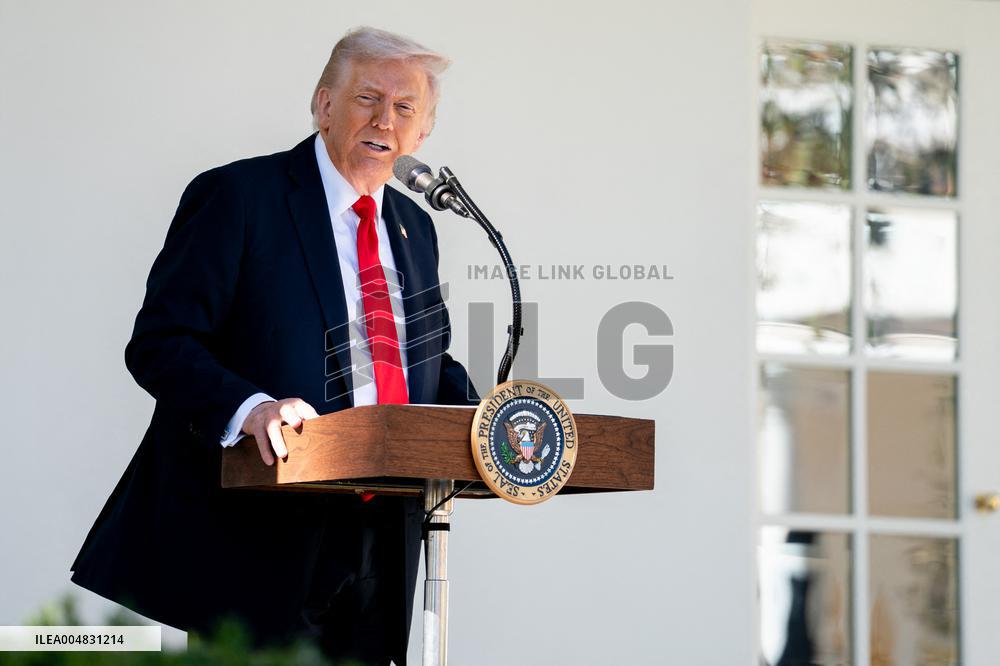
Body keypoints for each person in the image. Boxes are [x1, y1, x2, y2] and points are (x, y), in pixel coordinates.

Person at [70, 26, 477, 665]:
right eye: (367, 97)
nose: (383, 120)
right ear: (322, 105)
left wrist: (489, 419)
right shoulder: (241, 197)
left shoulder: (414, 227)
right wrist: (251, 408)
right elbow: (161, 341)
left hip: (386, 532)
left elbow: (425, 362)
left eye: (404, 108)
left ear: (422, 134)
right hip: (262, 530)